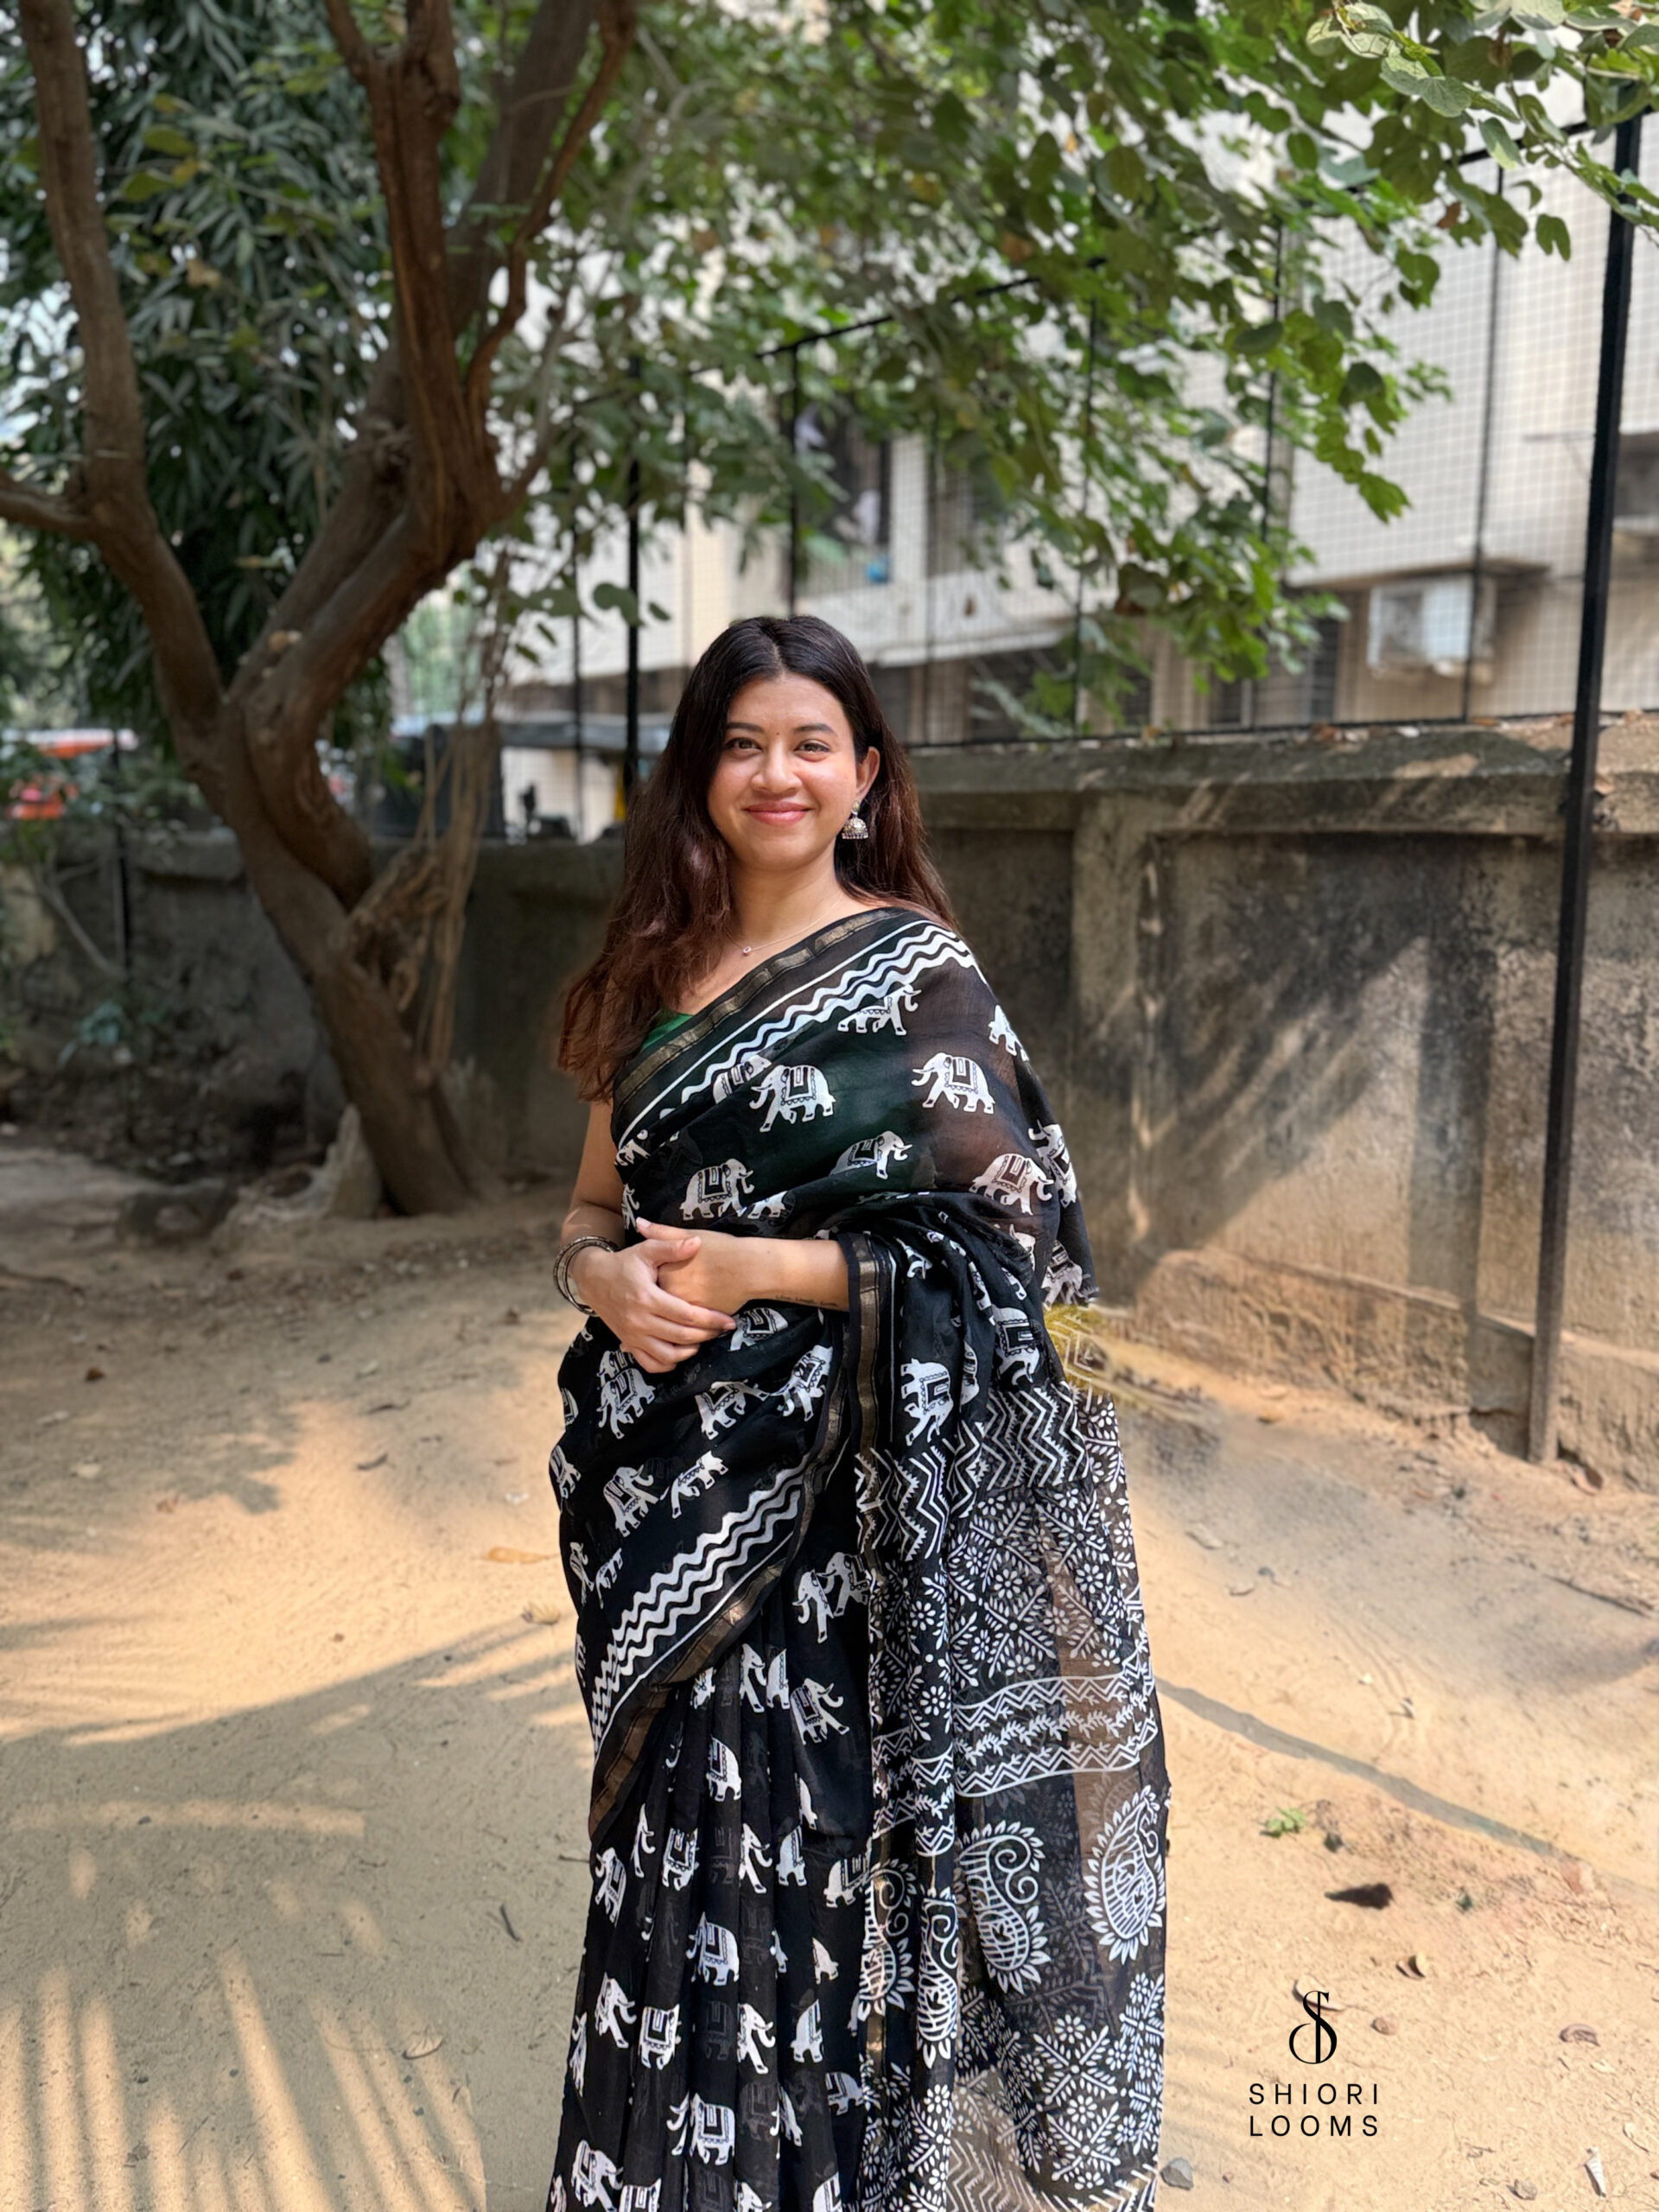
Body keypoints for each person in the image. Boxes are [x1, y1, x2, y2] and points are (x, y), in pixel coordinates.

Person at [545, 614, 1171, 2212]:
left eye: (810, 742)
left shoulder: (917, 979)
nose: (777, 772)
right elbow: (586, 1214)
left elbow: (1013, 1255)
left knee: (809, 1851)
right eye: (742, 742)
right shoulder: (646, 982)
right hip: (665, 1487)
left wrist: (760, 1263)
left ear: (865, 774)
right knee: (671, 1849)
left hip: (841, 1498)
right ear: (700, 774)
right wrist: (602, 1284)